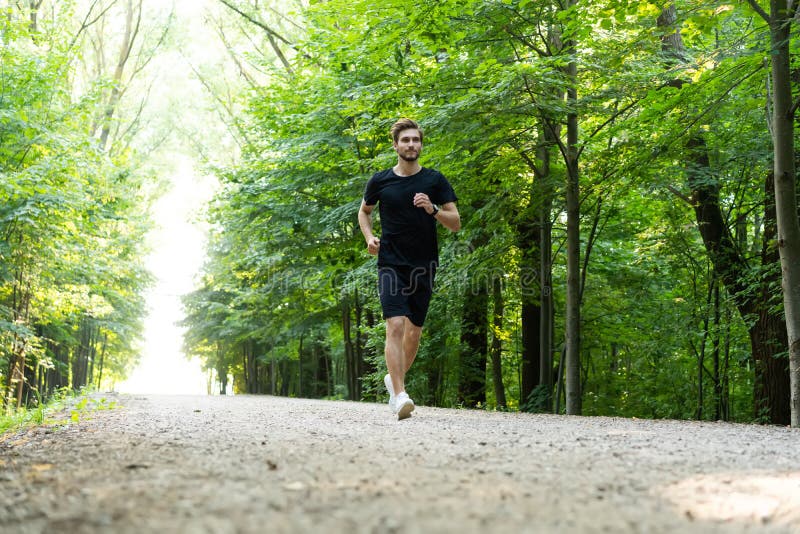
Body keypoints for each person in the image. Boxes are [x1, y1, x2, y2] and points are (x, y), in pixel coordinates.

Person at [357, 118, 461, 420]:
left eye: (415, 140)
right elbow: (364, 213)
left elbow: (455, 223)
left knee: (413, 332)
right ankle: (400, 395)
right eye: (405, 140)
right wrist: (369, 238)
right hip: (390, 262)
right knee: (396, 325)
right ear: (395, 145)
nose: (411, 144)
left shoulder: (435, 181)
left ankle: (394, 379)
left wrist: (433, 209)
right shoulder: (380, 181)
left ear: (421, 144)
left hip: (424, 264)